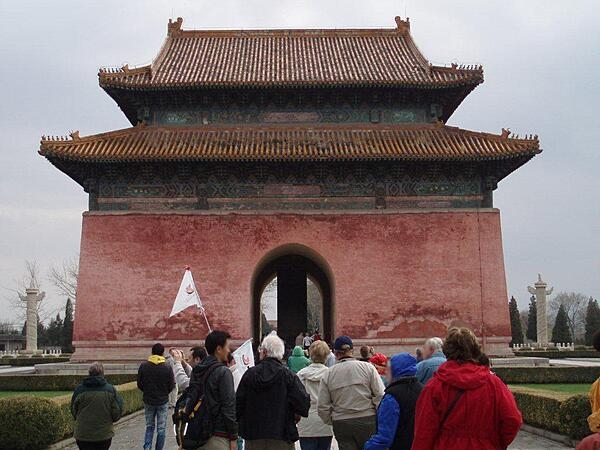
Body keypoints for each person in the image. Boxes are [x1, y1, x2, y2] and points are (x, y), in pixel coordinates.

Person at [412, 327, 522, 450]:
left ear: (447, 350)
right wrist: (495, 442)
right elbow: (513, 420)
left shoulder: (434, 387)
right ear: (475, 350)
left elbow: (423, 433)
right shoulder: (494, 384)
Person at [237, 333, 311, 450]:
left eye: (261, 350)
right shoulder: (288, 376)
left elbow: (238, 405)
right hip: (282, 435)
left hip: (254, 436)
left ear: (265, 352)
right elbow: (303, 404)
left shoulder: (249, 375)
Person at [317, 336, 385, 450]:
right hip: (367, 419)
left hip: (342, 422)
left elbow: (322, 406)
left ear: (335, 353)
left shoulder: (328, 374)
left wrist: (332, 419)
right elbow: (380, 395)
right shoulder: (368, 368)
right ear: (352, 351)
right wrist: (376, 415)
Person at [190, 330, 238, 450]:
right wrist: (233, 437)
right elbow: (228, 406)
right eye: (227, 347)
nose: (229, 350)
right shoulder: (223, 372)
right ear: (219, 349)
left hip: (198, 433)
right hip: (218, 435)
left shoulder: (197, 370)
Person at [364, 353, 422, 450]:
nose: (386, 372)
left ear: (396, 370)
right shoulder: (423, 390)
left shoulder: (392, 396)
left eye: (389, 369)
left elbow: (385, 436)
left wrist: (369, 447)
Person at [71, 362, 123, 450]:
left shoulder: (79, 390)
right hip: (104, 434)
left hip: (83, 434)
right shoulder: (110, 390)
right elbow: (117, 411)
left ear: (89, 373)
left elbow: (73, 409)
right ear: (102, 373)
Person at [297, 341, 334, 450]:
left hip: (306, 421)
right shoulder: (331, 374)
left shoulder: (301, 374)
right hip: (325, 421)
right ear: (326, 356)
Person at [137, 343, 175, 450]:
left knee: (149, 426)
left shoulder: (144, 366)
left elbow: (139, 383)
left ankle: (147, 447)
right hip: (162, 401)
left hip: (148, 400)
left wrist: (147, 392)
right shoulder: (167, 366)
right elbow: (171, 384)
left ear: (152, 352)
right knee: (161, 428)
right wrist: (164, 393)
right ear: (163, 353)